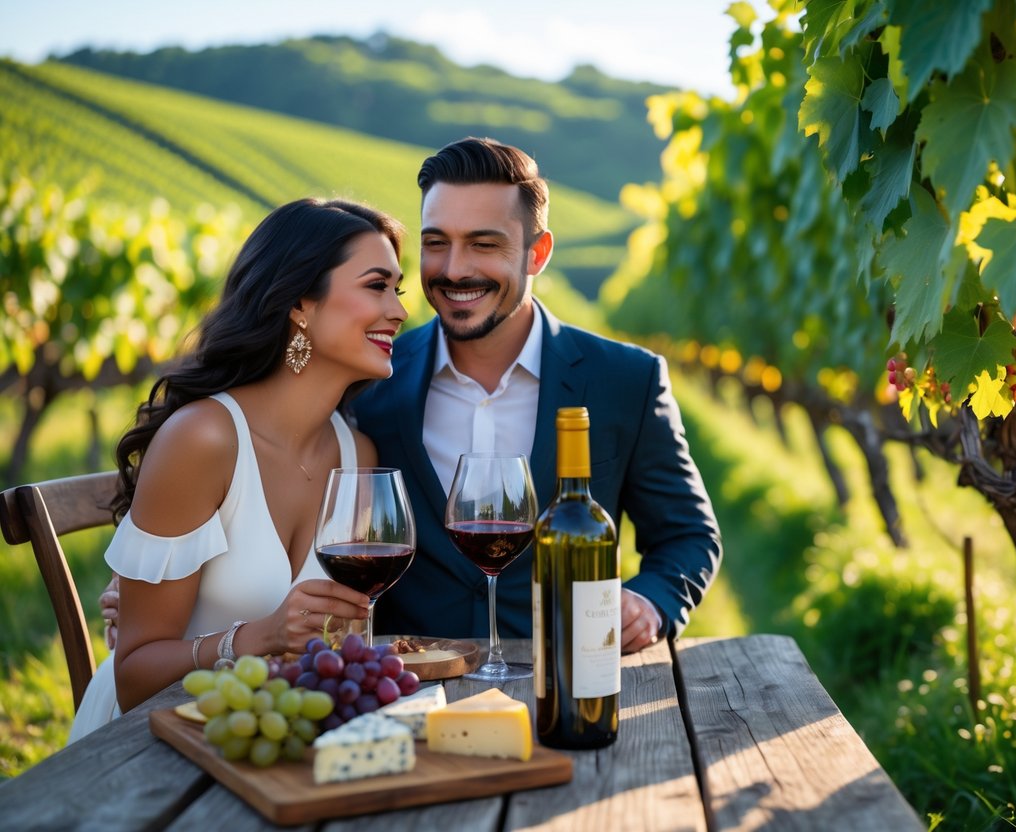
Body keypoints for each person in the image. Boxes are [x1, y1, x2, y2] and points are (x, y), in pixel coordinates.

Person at [353, 137, 722, 653]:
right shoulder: (371, 383)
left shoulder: (628, 380)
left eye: (484, 245)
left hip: (567, 677)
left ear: (538, 253)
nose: (454, 269)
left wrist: (650, 602)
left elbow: (688, 535)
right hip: (412, 685)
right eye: (436, 242)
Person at [73, 198, 407, 741]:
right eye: (376, 286)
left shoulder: (358, 457)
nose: (398, 311)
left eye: (398, 290)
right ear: (300, 303)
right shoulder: (204, 439)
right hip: (153, 743)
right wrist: (259, 637)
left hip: (278, 738)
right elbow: (133, 678)